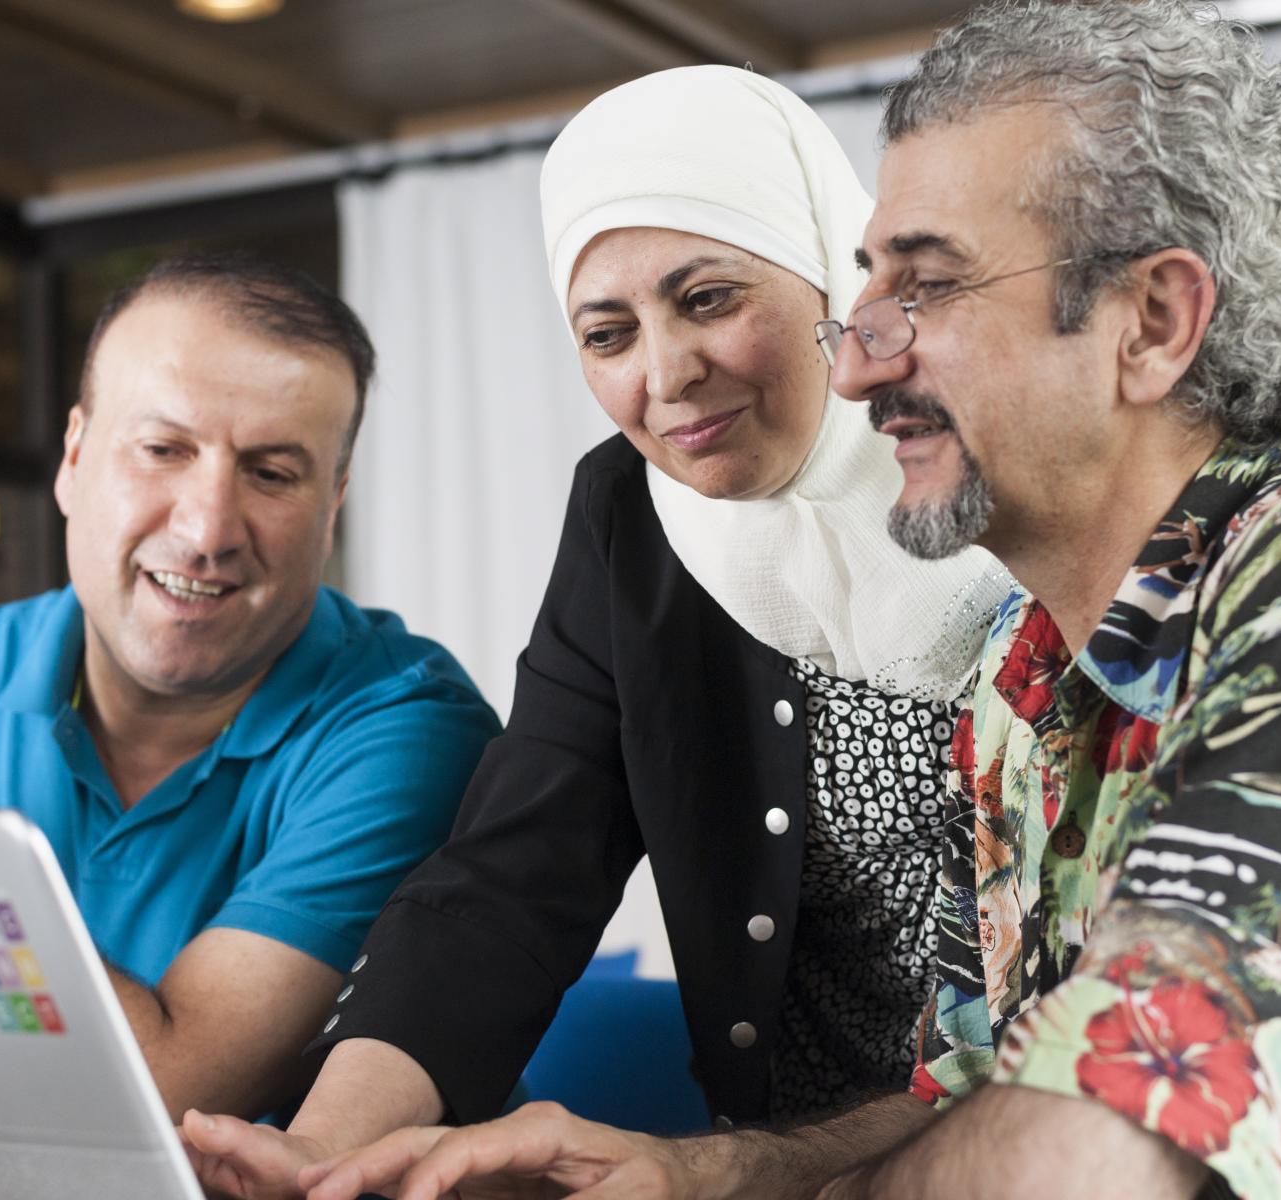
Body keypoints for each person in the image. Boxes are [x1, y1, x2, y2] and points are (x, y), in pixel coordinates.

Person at [262, 2, 1281, 1198]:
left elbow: (1107, 1137)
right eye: (869, 283)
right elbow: (969, 1092)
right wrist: (697, 1174)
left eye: (927, 285)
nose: (857, 350)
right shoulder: (1029, 679)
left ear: (1153, 320)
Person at [180, 66, 1012, 1197]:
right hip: (774, 1168)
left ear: (828, 264)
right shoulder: (633, 516)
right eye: (607, 332)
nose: (665, 375)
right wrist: (328, 1152)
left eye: (710, 297)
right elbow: (515, 871)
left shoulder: (1014, 474)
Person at [0, 253, 501, 1174]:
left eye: (273, 473)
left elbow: (149, 1110)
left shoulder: (406, 726)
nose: (207, 528)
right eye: (163, 449)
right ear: (75, 460)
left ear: (333, 505)